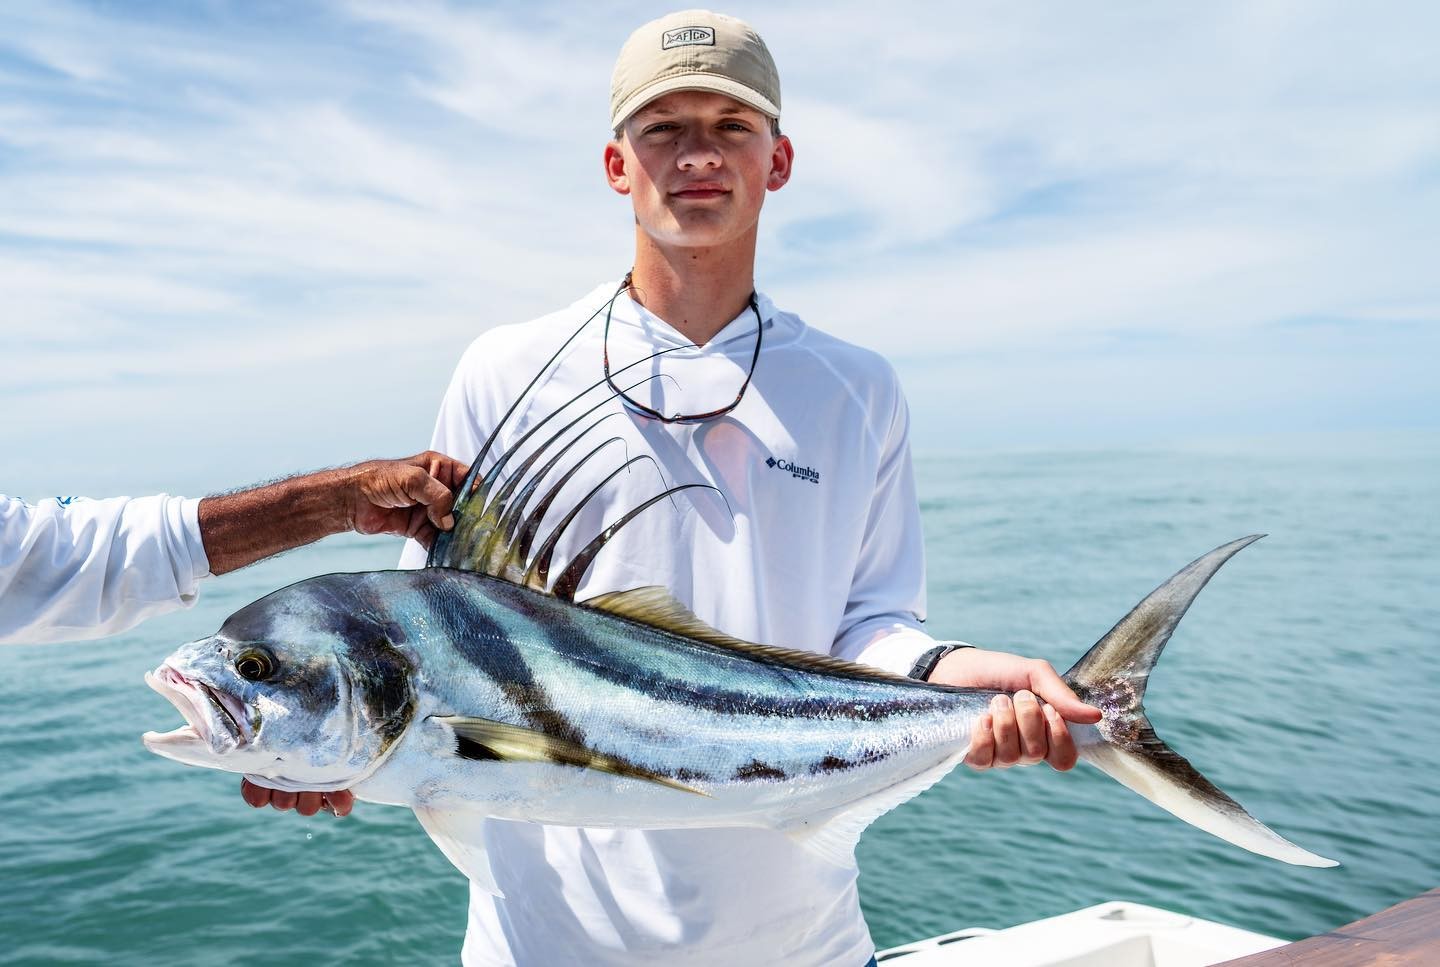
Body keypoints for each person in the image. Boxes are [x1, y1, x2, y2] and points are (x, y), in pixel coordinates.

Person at [381, 10, 1106, 966]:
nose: (697, 156)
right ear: (615, 165)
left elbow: (872, 624)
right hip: (543, 943)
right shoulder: (504, 369)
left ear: (779, 159)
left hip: (802, 938)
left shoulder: (857, 387)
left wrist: (953, 675)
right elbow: (434, 632)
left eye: (731, 126)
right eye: (663, 129)